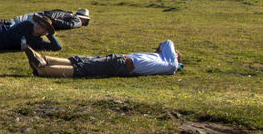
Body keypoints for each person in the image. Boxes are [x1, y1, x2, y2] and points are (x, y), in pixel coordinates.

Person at [25, 40, 182, 78]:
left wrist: (170, 51)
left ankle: (43, 70)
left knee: (84, 68)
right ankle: (45, 60)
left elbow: (168, 42)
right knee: (82, 61)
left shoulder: (170, 64)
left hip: (123, 64)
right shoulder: (161, 60)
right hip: (120, 59)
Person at [0, 8, 90, 31]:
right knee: (19, 22)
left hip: (42, 16)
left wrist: (51, 20)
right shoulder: (75, 18)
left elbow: (67, 24)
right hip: (43, 17)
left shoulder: (74, 18)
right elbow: (67, 24)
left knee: (19, 21)